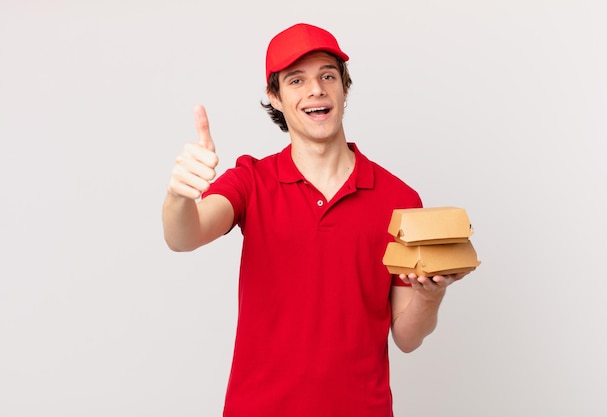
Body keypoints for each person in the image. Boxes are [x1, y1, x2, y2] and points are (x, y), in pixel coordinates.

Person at [162, 22, 470, 417]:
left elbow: (408, 338)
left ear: (344, 87)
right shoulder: (251, 181)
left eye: (328, 75)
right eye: (296, 80)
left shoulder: (400, 200)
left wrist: (431, 294)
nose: (316, 90)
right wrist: (178, 196)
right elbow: (184, 236)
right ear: (274, 96)